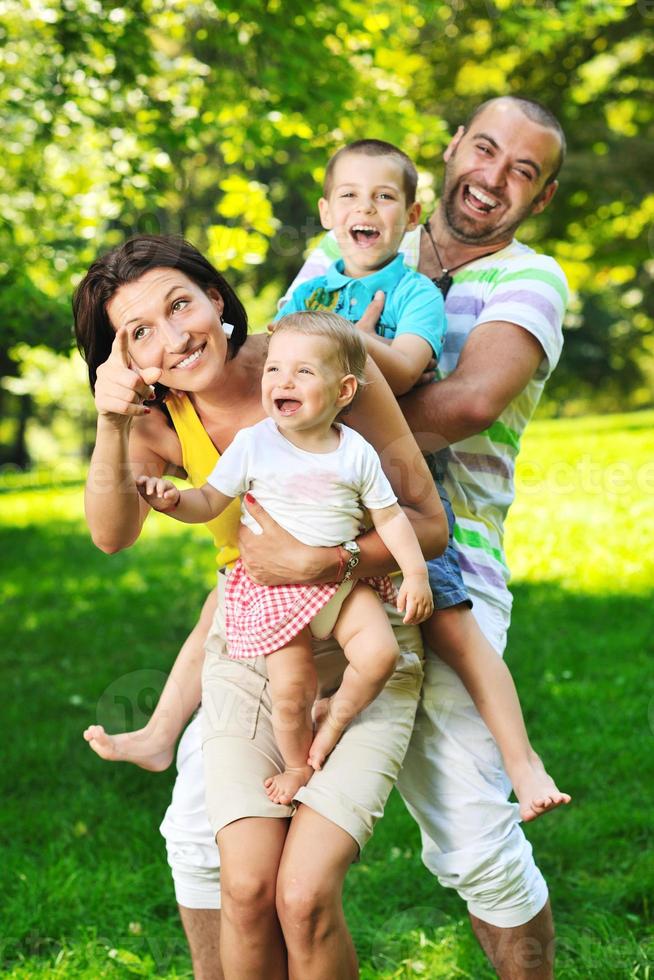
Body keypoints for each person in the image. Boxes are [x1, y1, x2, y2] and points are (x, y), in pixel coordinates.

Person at [75, 234, 446, 979]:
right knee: (244, 888)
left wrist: (322, 560)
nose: (174, 338)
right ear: (123, 360)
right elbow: (112, 536)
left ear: (216, 298)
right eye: (139, 332)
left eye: (181, 304)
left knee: (302, 896)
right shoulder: (156, 420)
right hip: (254, 648)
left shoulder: (318, 360)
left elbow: (427, 525)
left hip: (359, 646)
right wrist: (110, 424)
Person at [276, 95, 570, 978]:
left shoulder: (531, 279)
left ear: (542, 196)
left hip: (449, 559)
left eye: (523, 170)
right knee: (214, 828)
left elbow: (472, 401)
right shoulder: (346, 244)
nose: (493, 178)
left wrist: (325, 418)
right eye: (485, 150)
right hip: (301, 556)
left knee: (476, 841)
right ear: (452, 150)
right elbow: (276, 367)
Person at [133, 311, 434, 804]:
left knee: (380, 656)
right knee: (290, 692)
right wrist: (172, 501)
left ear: (344, 392)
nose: (282, 381)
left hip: (342, 586)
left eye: (304, 372)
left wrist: (416, 575)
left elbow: (393, 518)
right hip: (277, 592)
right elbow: (209, 500)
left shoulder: (354, 451)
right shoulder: (255, 444)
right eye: (273, 369)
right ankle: (298, 766)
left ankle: (335, 715)